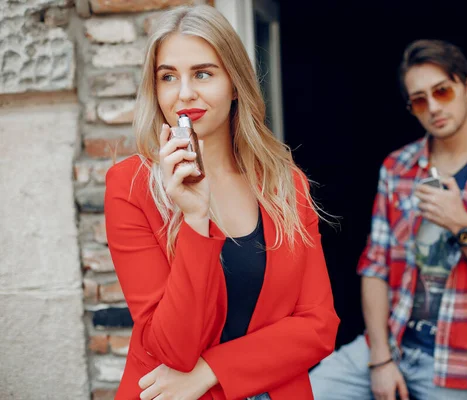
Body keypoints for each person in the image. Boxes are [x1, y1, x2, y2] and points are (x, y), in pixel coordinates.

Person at [104, 5, 339, 400]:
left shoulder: (286, 185)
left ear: (234, 82)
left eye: (202, 73)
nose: (184, 93)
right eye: (168, 77)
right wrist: (195, 219)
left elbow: (318, 325)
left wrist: (213, 371)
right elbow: (172, 347)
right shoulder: (130, 186)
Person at [309, 39, 467, 400]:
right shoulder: (398, 167)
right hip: (389, 344)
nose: (433, 107)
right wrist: (381, 360)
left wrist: (462, 226)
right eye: (420, 99)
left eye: (442, 91)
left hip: (461, 365)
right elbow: (375, 267)